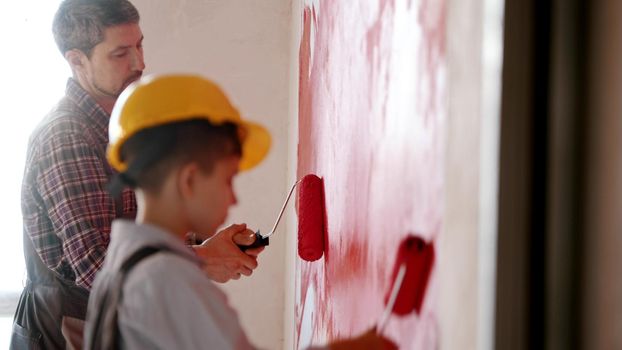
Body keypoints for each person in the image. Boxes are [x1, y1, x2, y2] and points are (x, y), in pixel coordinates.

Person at [11, 1, 262, 349]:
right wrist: (202, 260)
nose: (140, 63)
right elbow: (97, 268)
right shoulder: (66, 136)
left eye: (140, 45)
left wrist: (204, 246)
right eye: (120, 53)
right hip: (69, 330)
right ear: (76, 60)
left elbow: (136, 234)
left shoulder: (118, 127)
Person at [83, 74, 396, 350]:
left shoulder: (122, 266)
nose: (233, 198)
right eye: (228, 180)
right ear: (189, 180)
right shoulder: (166, 277)